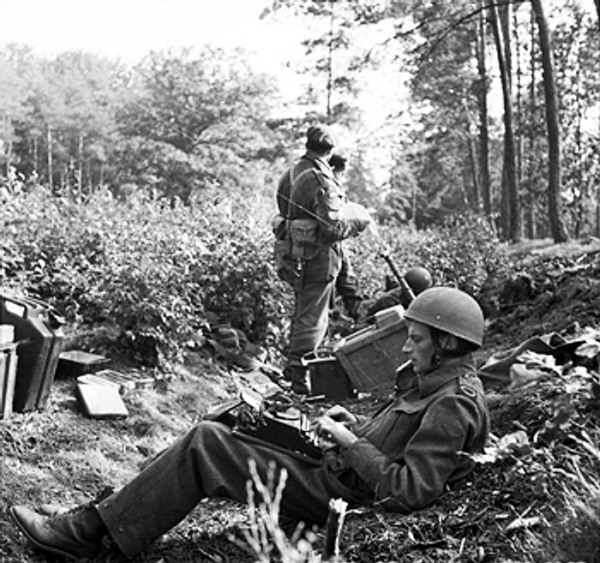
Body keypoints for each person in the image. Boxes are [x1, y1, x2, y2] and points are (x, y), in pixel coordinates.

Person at [10, 286, 490, 561]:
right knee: (230, 420)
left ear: (445, 345)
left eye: (416, 339)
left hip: (340, 491)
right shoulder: (435, 380)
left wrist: (348, 441)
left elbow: (409, 491)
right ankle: (108, 512)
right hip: (338, 469)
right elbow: (395, 441)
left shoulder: (453, 404)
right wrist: (356, 428)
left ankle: (88, 537)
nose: (406, 348)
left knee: (206, 444)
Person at [274, 125, 370, 394]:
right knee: (313, 317)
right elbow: (331, 229)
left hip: (297, 252)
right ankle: (300, 379)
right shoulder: (320, 178)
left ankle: (299, 370)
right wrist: (357, 224)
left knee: (307, 311)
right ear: (330, 151)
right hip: (317, 256)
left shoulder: (292, 172)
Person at [328, 153, 364, 322]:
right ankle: (332, 318)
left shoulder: (336, 185)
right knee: (331, 282)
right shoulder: (327, 185)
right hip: (328, 243)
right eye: (342, 172)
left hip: (338, 242)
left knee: (348, 279)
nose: (343, 176)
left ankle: (358, 317)